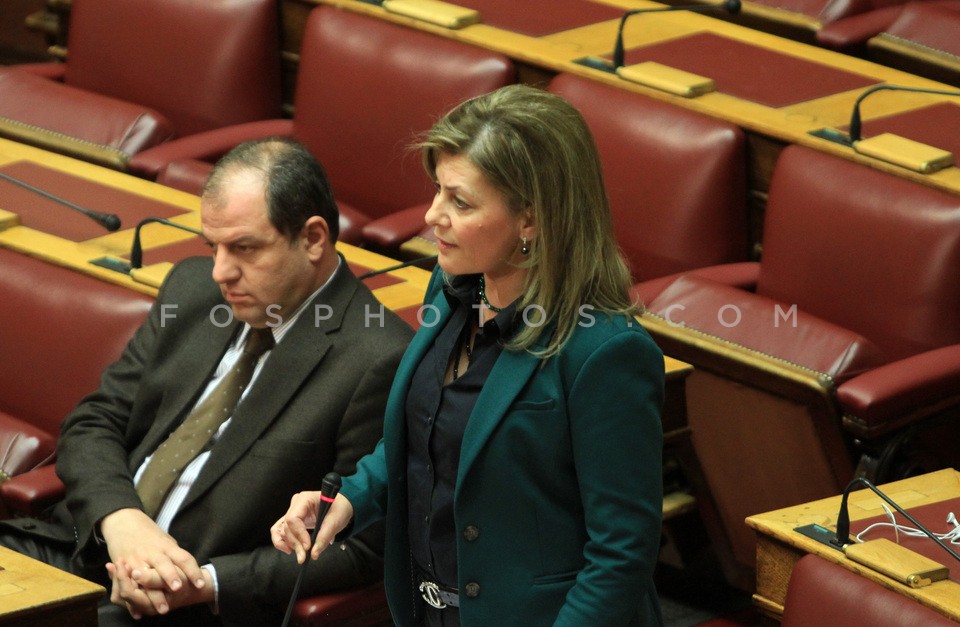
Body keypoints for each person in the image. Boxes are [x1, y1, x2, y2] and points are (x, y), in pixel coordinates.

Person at [273, 85, 665, 626]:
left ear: (530, 220)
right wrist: (347, 500)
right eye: (437, 190)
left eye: (460, 202)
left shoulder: (605, 353)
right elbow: (424, 438)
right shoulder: (453, 287)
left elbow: (621, 555)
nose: (433, 215)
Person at [0, 137, 413, 626]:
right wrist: (122, 521)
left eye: (244, 248)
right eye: (211, 247)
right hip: (84, 547)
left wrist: (202, 584)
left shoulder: (378, 357)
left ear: (313, 238)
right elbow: (95, 421)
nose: (221, 271)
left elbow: (360, 549)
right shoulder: (194, 289)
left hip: (185, 604)